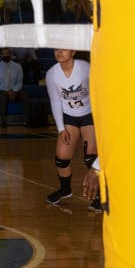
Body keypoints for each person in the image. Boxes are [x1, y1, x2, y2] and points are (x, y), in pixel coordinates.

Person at [45, 49, 96, 208]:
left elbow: (97, 92)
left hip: (89, 115)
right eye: (56, 49)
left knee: (91, 158)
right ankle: (65, 190)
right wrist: (61, 129)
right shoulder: (51, 74)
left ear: (73, 52)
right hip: (69, 117)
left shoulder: (84, 67)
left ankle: (100, 196)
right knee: (61, 157)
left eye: (63, 48)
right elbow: (55, 102)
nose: (59, 52)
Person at [0, 48, 30, 128]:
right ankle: (3, 121)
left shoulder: (18, 67)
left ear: (11, 55)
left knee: (24, 94)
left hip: (15, 91)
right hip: (1, 91)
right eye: (4, 54)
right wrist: (8, 91)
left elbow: (19, 82)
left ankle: (28, 120)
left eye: (7, 54)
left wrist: (14, 91)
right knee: (3, 95)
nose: (6, 55)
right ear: (1, 55)